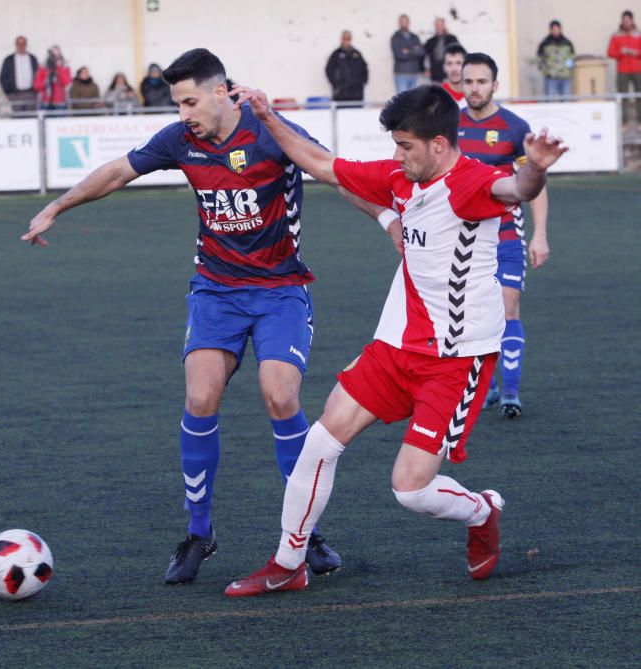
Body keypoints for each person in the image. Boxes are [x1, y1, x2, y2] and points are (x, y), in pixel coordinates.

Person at [22, 48, 351, 586]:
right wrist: (57, 206)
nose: (183, 114)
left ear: (221, 92)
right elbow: (116, 173)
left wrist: (388, 212)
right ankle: (200, 533)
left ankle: (303, 533)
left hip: (280, 289)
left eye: (190, 101)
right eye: (177, 103)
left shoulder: (271, 131)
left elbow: (332, 171)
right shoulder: (182, 140)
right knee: (199, 397)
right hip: (216, 290)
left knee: (282, 395)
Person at [224, 83, 566, 597]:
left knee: (410, 490)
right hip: (394, 345)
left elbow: (516, 190)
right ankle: (288, 562)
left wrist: (536, 167)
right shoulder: (399, 178)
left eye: (405, 146)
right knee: (319, 443)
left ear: (438, 145)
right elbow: (321, 164)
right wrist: (268, 116)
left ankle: (482, 510)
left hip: (456, 358)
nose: (397, 156)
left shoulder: (473, 181)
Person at [459, 53, 550, 418]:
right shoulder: (448, 125)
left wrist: (540, 234)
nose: (474, 88)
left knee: (509, 307)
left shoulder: (514, 127)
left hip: (506, 235)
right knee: (472, 316)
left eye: (481, 81)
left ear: (495, 85)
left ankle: (510, 391)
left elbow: (536, 183)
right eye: (468, 81)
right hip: (461, 241)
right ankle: (489, 385)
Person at [607, 10, 641, 127]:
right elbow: (610, 52)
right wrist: (621, 52)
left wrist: (636, 53)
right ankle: (624, 122)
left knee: (639, 96)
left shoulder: (639, 34)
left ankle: (640, 121)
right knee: (623, 97)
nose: (626, 23)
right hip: (623, 70)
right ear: (622, 21)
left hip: (638, 70)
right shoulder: (616, 35)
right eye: (624, 20)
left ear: (632, 21)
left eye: (628, 20)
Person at [325, 30, 368, 104]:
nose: (347, 41)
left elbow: (364, 68)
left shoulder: (357, 53)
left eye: (349, 38)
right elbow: (329, 70)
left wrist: (363, 82)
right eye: (345, 38)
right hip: (341, 93)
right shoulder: (336, 54)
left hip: (356, 93)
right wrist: (335, 84)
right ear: (341, 39)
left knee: (356, 113)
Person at [0, 35, 39, 112]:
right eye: (19, 44)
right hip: (15, 94)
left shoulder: (32, 58)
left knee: (30, 119)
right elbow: (3, 77)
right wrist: (9, 92)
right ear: (16, 45)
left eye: (23, 44)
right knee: (17, 119)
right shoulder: (9, 59)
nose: (21, 46)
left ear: (26, 45)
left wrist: (35, 92)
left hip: (30, 94)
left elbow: (38, 75)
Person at [538, 21, 575, 99]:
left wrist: (568, 69)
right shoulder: (545, 44)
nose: (555, 31)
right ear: (550, 30)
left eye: (557, 29)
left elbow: (571, 58)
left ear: (560, 29)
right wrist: (546, 71)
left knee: (566, 100)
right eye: (553, 29)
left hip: (565, 77)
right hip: (551, 77)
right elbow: (540, 59)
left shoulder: (567, 43)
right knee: (550, 100)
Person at [391, 14, 424, 93]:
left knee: (413, 102)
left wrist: (408, 51)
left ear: (408, 22)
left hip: (414, 73)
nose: (404, 23)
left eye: (405, 21)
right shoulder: (395, 38)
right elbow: (399, 55)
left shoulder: (415, 37)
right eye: (402, 21)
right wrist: (414, 51)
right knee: (402, 101)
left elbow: (421, 53)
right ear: (399, 23)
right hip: (401, 74)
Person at [34, 46, 72, 111]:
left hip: (60, 103)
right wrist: (46, 80)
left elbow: (66, 82)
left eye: (57, 55)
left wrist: (59, 68)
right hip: (45, 103)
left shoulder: (65, 67)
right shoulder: (43, 67)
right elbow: (36, 86)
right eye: (53, 55)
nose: (55, 58)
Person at [425, 17, 461, 83]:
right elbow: (426, 56)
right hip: (435, 71)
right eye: (437, 25)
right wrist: (427, 69)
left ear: (444, 25)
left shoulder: (452, 38)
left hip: (449, 70)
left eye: (440, 25)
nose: (438, 27)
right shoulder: (430, 41)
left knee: (448, 91)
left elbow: (459, 52)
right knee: (436, 91)